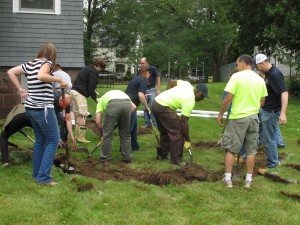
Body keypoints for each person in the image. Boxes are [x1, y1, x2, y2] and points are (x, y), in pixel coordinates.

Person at [7, 42, 68, 185]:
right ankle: (44, 177)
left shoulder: (29, 64)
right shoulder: (46, 63)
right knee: (53, 141)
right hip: (43, 109)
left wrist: (21, 89)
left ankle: (37, 174)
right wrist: (59, 79)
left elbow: (10, 72)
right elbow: (41, 76)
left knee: (41, 141)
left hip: (30, 108)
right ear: (52, 54)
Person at [217, 54, 268, 188]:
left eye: (237, 64)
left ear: (243, 63)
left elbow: (228, 98)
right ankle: (248, 181)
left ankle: (228, 179)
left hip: (238, 118)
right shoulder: (260, 79)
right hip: (253, 118)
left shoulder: (236, 77)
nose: (237, 67)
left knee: (230, 149)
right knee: (251, 150)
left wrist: (220, 114)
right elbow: (262, 102)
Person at [0, 94, 75, 167]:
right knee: (4, 137)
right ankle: (6, 162)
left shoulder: (66, 104)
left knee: (42, 137)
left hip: (33, 115)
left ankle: (42, 159)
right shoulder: (51, 100)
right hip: (22, 115)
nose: (63, 108)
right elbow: (48, 121)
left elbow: (67, 119)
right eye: (63, 105)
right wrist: (56, 137)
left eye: (66, 106)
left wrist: (71, 136)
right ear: (60, 99)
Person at [152, 80, 209, 166]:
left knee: (165, 131)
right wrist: (187, 138)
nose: (202, 98)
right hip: (163, 107)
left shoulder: (187, 84)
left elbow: (171, 82)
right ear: (197, 91)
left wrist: (167, 94)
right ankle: (176, 160)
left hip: (156, 103)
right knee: (177, 132)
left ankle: (161, 155)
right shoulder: (190, 100)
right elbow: (184, 122)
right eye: (202, 95)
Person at [253, 53, 288, 171]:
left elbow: (284, 93)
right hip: (264, 110)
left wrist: (282, 113)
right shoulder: (268, 73)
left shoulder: (275, 74)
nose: (257, 69)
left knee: (269, 138)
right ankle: (244, 156)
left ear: (262, 63)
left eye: (257, 67)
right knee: (254, 133)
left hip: (271, 112)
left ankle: (273, 164)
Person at [70, 58, 106, 143]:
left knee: (78, 115)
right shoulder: (93, 72)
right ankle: (81, 138)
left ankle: (77, 136)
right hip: (80, 94)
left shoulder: (86, 68)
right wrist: (96, 99)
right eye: (101, 68)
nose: (100, 70)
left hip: (73, 91)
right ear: (98, 65)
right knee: (83, 115)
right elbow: (91, 88)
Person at [95, 90, 136, 163]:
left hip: (112, 105)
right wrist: (123, 117)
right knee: (125, 135)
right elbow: (134, 107)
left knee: (107, 136)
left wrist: (102, 133)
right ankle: (127, 158)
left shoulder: (100, 101)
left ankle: (105, 158)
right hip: (127, 104)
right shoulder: (119, 93)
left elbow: (98, 122)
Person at [125, 68, 151, 151]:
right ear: (145, 73)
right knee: (129, 128)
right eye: (148, 74)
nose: (149, 76)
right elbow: (140, 95)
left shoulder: (135, 78)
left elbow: (137, 92)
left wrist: (144, 95)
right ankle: (124, 149)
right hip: (130, 105)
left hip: (129, 102)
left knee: (133, 128)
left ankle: (134, 147)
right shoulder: (142, 80)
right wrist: (147, 107)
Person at [139, 57, 161, 129]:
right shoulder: (140, 70)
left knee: (152, 107)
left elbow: (158, 78)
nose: (141, 65)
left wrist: (158, 89)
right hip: (144, 90)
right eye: (141, 63)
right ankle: (147, 123)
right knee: (145, 107)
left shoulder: (153, 68)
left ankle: (154, 124)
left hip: (152, 89)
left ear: (147, 62)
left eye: (143, 63)